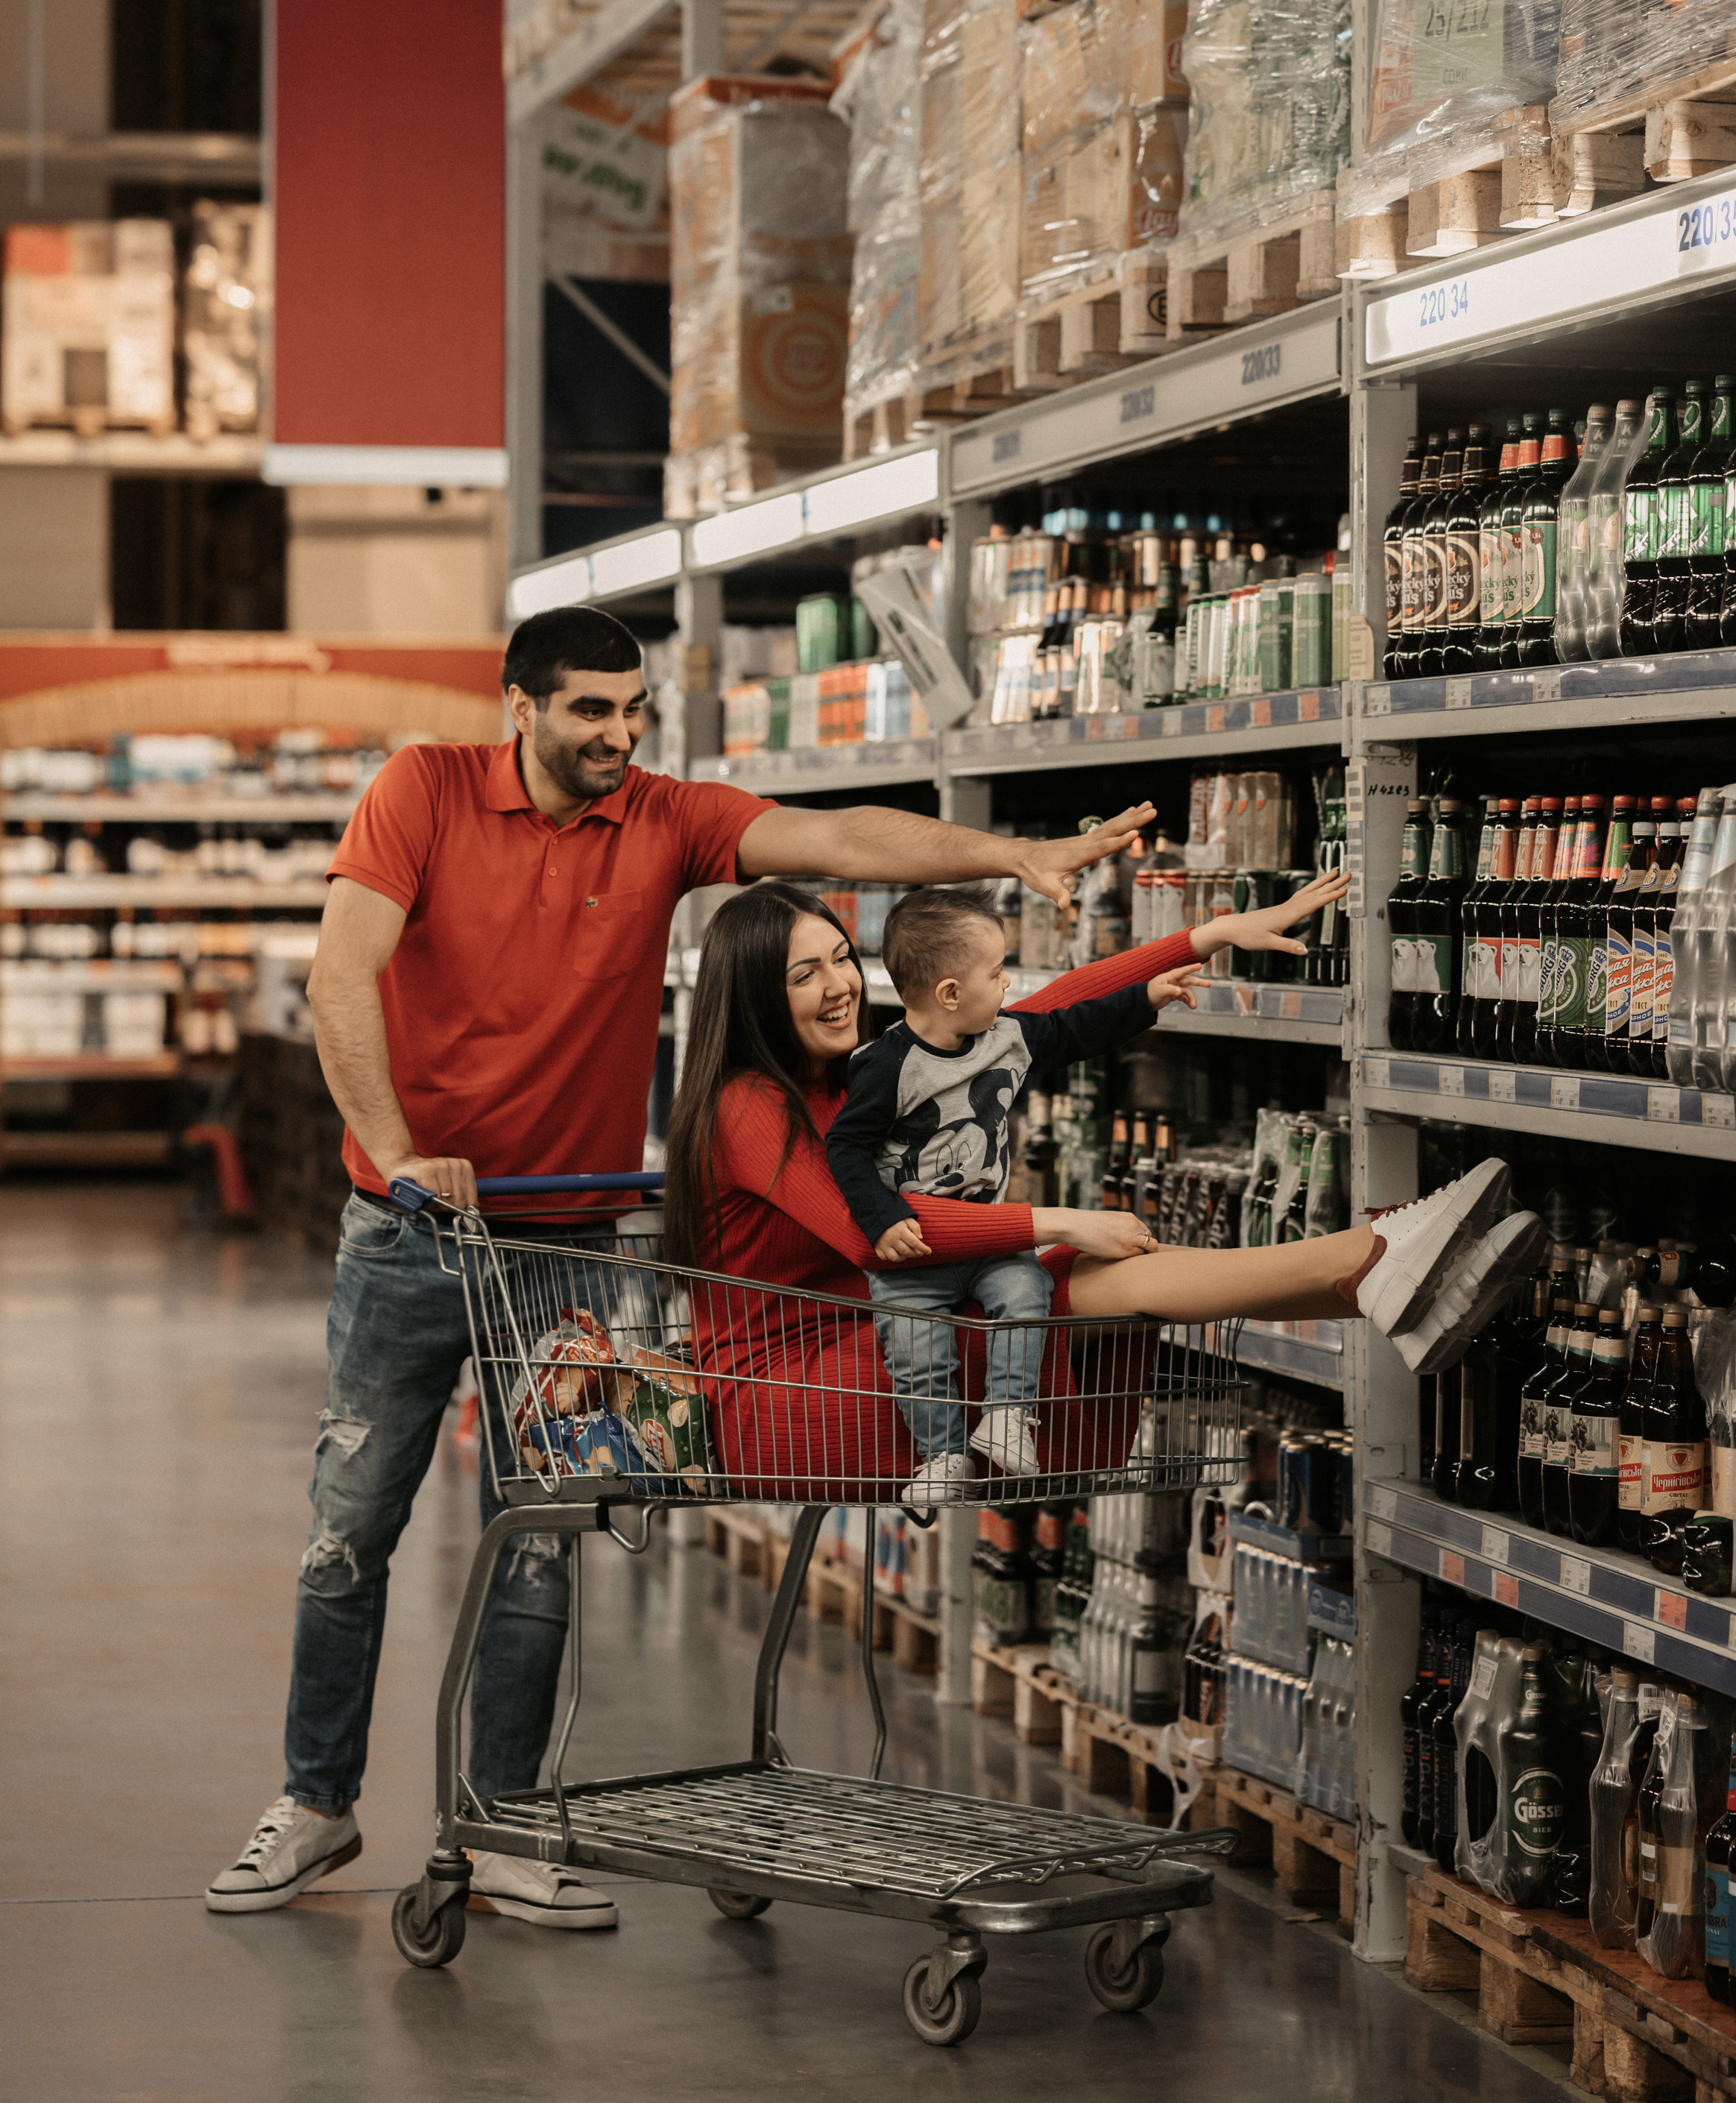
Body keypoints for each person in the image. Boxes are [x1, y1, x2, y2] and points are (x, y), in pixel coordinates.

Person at [207, 605, 1178, 1926]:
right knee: (348, 1529)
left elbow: (839, 839)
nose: (618, 734)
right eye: (589, 711)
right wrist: (399, 1154)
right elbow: (342, 980)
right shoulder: (420, 792)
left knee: (538, 1537)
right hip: (409, 1236)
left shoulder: (662, 819)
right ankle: (316, 1805)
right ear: (520, 708)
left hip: (560, 1242)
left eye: (631, 709)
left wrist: (1013, 851)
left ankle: (499, 1822)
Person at [661, 878, 1546, 1499]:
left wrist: (1206, 936)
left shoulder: (851, 1076)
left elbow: (1033, 1016)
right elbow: (870, 1230)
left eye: (841, 956)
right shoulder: (745, 1103)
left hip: (876, 1343)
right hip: (784, 1396)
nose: (840, 983)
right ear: (750, 995)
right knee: (1069, 1276)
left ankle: (1379, 1275)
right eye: (803, 971)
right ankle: (1373, 1257)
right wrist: (1061, 1219)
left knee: (1061, 1278)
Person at [824, 882, 1205, 1496]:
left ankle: (1007, 1417)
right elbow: (844, 1147)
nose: (1007, 985)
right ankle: (941, 1457)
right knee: (918, 1351)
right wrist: (882, 1219)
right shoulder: (887, 1067)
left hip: (990, 1238)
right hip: (915, 1252)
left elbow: (1072, 1028)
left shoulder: (1005, 1036)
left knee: (1026, 1292)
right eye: (996, 972)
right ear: (950, 994)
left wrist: (1145, 999)